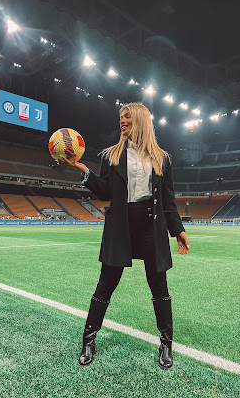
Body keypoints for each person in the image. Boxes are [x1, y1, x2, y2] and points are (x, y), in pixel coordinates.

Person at [60, 102, 190, 370]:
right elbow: (105, 192)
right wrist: (84, 171)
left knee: (160, 288)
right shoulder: (110, 155)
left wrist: (177, 230)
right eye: (120, 117)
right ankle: (88, 341)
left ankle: (166, 344)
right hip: (120, 226)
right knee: (105, 285)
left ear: (141, 120)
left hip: (150, 227)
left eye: (127, 117)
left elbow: (168, 200)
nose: (122, 121)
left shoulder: (162, 158)